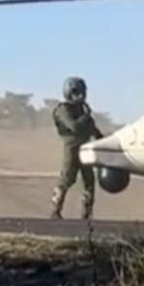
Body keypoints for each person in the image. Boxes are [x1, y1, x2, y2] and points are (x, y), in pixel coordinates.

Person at [50, 76, 103, 219]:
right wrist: (86, 116)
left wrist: (103, 140)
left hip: (85, 147)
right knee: (67, 179)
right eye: (76, 92)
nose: (80, 95)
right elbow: (74, 127)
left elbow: (93, 129)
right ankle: (55, 210)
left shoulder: (82, 109)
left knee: (89, 181)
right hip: (72, 147)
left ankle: (86, 214)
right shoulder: (63, 109)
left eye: (82, 92)